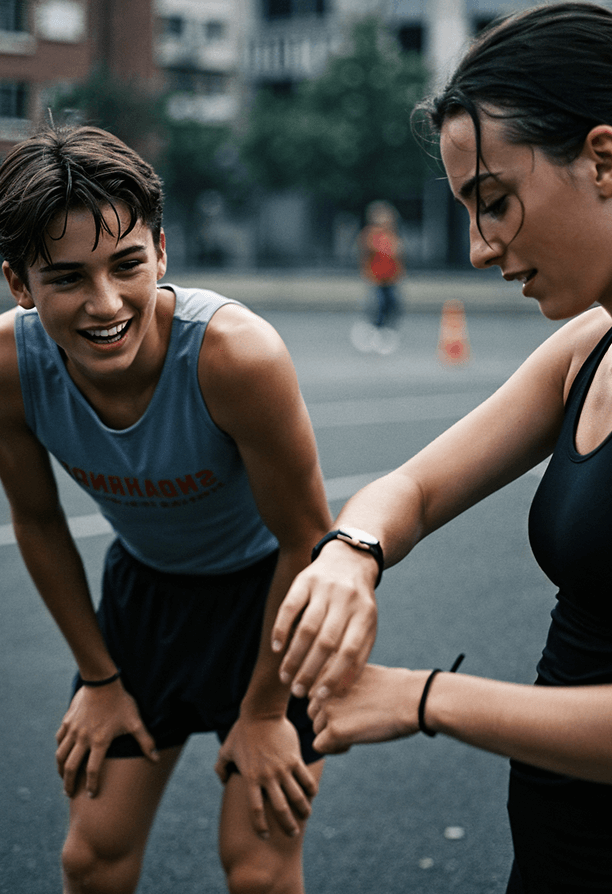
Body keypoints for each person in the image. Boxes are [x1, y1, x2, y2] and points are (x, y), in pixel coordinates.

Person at [271, 3, 612, 891]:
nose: (475, 247)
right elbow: (414, 489)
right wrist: (351, 555)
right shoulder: (589, 347)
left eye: (494, 203)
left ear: (605, 159)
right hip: (560, 836)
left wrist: (422, 699)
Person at [0, 124, 378, 894]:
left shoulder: (235, 355)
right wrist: (100, 682)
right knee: (92, 858)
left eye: (127, 264)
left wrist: (268, 709)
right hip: (144, 603)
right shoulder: (11, 368)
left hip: (270, 609)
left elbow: (306, 538)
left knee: (258, 869)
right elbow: (37, 522)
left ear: (162, 253)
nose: (104, 303)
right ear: (18, 285)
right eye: (66, 278)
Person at [351, 200, 404, 355]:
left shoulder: (392, 235)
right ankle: (372, 331)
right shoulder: (371, 234)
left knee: (392, 305)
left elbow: (398, 256)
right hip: (376, 278)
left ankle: (385, 332)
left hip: (391, 278)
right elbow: (366, 254)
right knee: (377, 305)